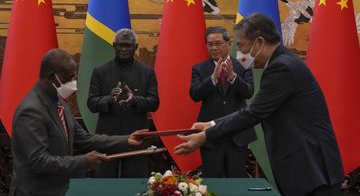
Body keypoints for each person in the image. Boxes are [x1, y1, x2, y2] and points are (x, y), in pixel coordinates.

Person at [175, 13, 344, 196]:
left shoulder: (282, 68)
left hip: (312, 170)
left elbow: (253, 113)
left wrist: (206, 136)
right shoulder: (282, 62)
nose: (239, 54)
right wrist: (211, 124)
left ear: (259, 42)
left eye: (240, 46)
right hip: (305, 169)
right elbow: (252, 110)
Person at [10, 49, 147, 196]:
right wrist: (84, 162)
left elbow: (84, 138)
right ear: (52, 77)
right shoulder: (31, 111)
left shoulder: (59, 103)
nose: (74, 84)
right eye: (70, 78)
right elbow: (39, 162)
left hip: (59, 190)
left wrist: (127, 140)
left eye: (75, 77)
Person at [87, 28, 159, 178]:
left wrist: (135, 100)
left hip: (137, 136)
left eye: (128, 45)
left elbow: (154, 103)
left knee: (135, 181)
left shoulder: (147, 72)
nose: (124, 49)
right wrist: (109, 98)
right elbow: (91, 103)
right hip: (107, 137)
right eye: (121, 45)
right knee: (105, 181)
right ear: (114, 45)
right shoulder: (100, 71)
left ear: (136, 47)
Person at [190, 26, 256, 177]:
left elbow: (249, 92)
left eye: (218, 43)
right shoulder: (199, 69)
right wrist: (212, 79)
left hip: (237, 135)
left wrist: (233, 77)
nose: (214, 48)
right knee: (212, 181)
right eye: (210, 44)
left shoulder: (243, 65)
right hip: (210, 135)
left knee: (236, 180)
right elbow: (194, 95)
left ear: (228, 43)